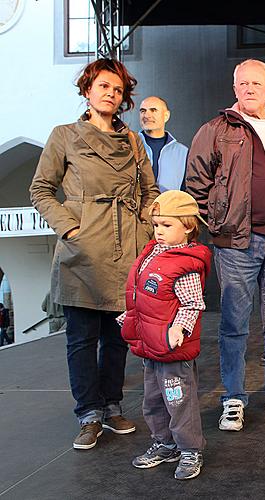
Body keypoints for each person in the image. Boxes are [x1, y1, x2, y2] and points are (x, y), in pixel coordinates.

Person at [29, 58, 159, 450]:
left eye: (118, 90)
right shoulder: (65, 135)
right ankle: (88, 413)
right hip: (83, 249)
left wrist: (147, 227)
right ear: (87, 91)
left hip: (127, 244)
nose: (111, 94)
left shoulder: (134, 141)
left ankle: (112, 404)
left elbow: (150, 190)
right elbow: (40, 189)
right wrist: (71, 227)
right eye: (103, 86)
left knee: (118, 337)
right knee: (82, 338)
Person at [186, 59, 265, 430]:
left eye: (257, 83)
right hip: (237, 243)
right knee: (234, 324)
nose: (250, 89)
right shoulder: (215, 130)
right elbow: (195, 186)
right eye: (244, 83)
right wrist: (219, 225)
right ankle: (234, 399)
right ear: (235, 88)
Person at [118, 191, 211, 480]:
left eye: (167, 225)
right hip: (150, 346)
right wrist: (130, 318)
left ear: (188, 226)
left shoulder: (185, 263)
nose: (159, 230)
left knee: (179, 400)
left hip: (172, 349)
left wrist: (179, 328)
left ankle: (190, 449)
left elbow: (193, 303)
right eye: (156, 224)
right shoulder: (151, 254)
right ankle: (164, 443)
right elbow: (142, 296)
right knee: (153, 400)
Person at [139, 96, 189, 192]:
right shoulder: (129, 146)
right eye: (143, 111)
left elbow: (186, 192)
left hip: (170, 206)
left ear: (166, 116)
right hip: (135, 206)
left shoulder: (183, 152)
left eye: (153, 110)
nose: (146, 115)